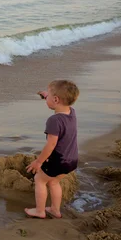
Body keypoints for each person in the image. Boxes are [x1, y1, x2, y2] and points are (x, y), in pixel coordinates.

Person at [25, 80, 80, 219]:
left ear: (56, 99)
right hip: (72, 160)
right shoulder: (71, 112)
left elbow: (51, 145)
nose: (46, 98)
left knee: (40, 180)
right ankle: (55, 210)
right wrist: (46, 95)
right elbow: (58, 102)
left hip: (58, 161)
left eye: (48, 95)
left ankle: (40, 211)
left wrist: (38, 162)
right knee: (54, 182)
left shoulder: (54, 121)